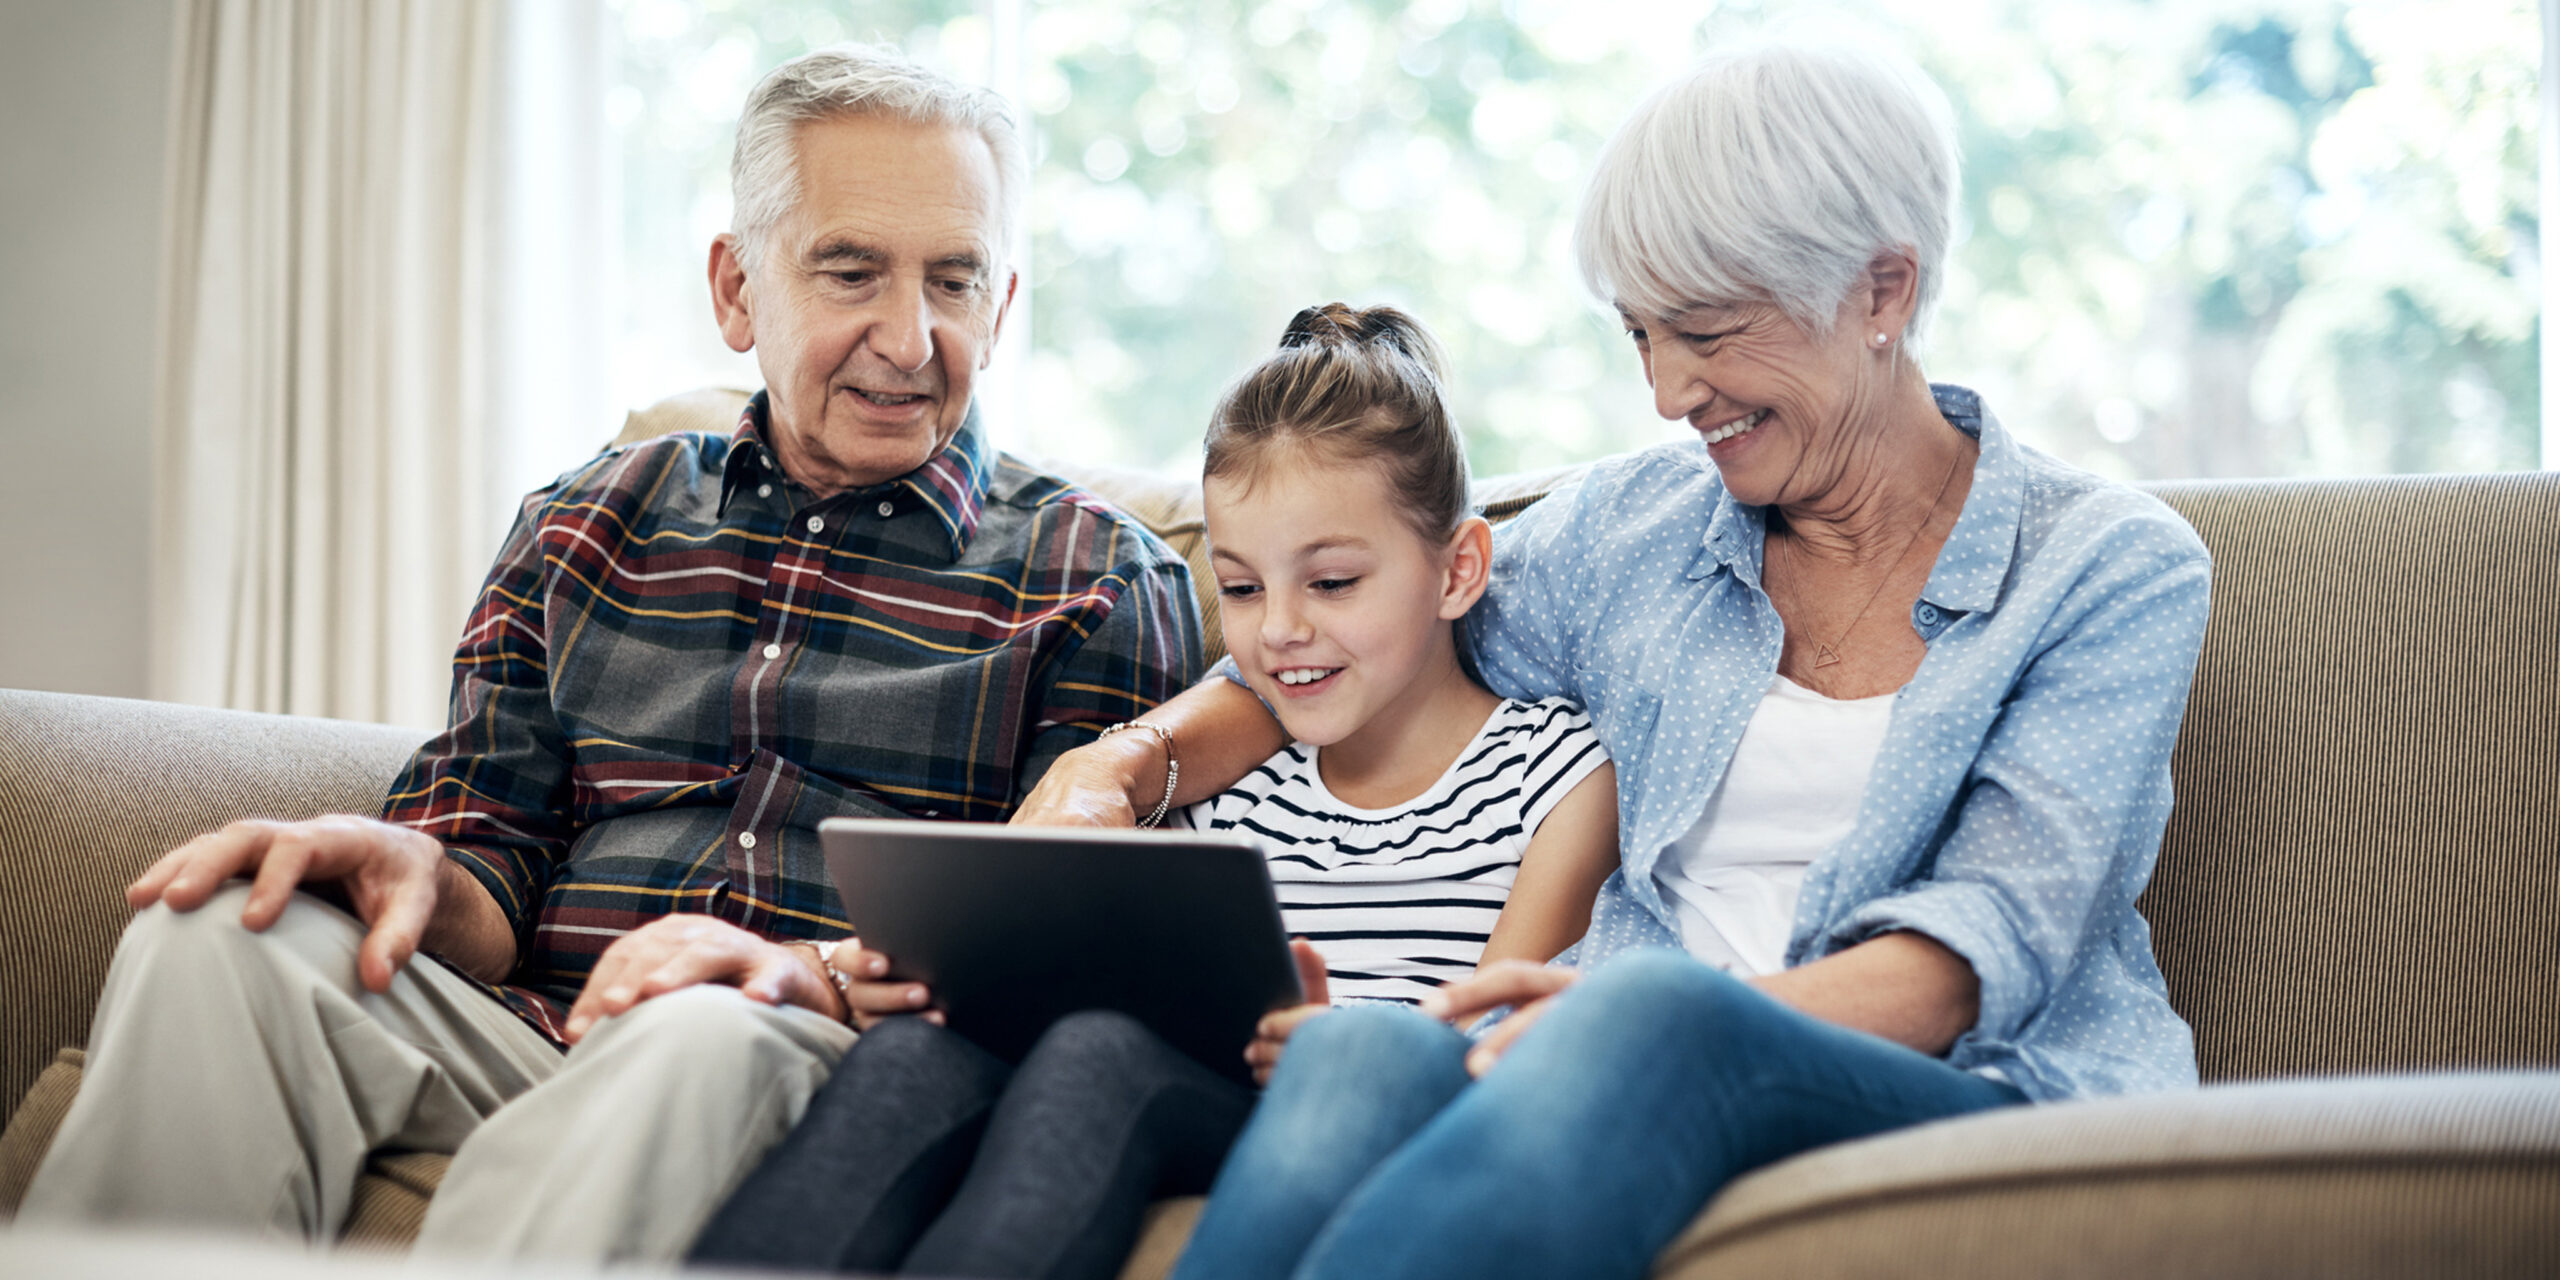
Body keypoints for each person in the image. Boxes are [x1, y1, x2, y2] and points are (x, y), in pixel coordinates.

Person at [1017, 36, 2214, 1280]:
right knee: (1367, 1046)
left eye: (1707, 331)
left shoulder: (2106, 568)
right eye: (1640, 334)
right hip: (1615, 1057)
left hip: (1972, 1084)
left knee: (1658, 1005)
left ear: (1882, 291)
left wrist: (1627, 1013)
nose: (1668, 392)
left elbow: (1968, 958)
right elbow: (1360, 642)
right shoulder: (1632, 533)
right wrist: (1121, 765)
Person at [18, 45, 1199, 1263]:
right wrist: (410, 861)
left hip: (804, 1046)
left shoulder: (1098, 577)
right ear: (736, 289)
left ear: (1000, 307)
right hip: (538, 1025)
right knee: (219, 936)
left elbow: (1065, 956)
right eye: (851, 271)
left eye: (954, 280)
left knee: (703, 1025)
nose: (908, 337)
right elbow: (486, 866)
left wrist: (807, 969)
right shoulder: (589, 520)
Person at [688, 304, 1620, 1280]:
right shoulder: (1229, 783)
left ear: (1458, 568)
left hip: (1339, 1109)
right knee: (911, 1057)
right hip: (1191, 1080)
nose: (1280, 630)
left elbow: (1499, 1040)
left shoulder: (1553, 773)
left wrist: (1339, 1046)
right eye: (1243, 588)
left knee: (1103, 1059)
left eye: (1333, 581)